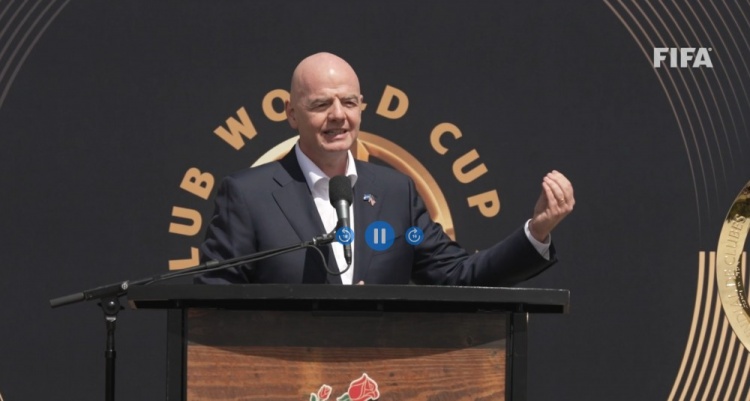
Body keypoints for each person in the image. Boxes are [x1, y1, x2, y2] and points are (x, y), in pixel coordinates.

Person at [196, 52, 574, 286]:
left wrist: (536, 231)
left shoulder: (396, 193)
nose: (338, 116)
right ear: (292, 114)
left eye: (349, 102)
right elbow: (213, 302)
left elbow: (458, 275)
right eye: (321, 105)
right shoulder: (249, 196)